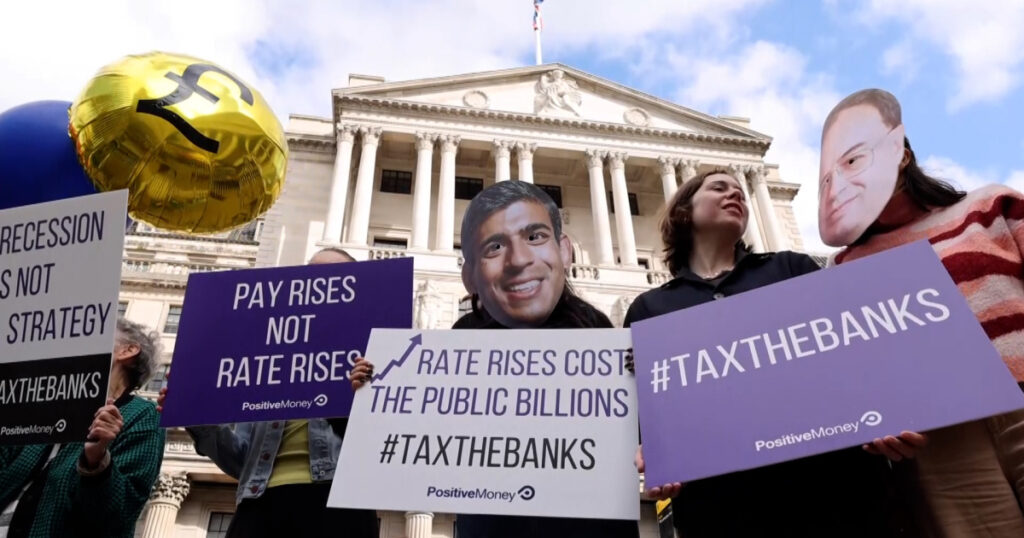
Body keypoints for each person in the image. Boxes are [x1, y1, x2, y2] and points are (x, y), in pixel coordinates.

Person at [624, 169, 923, 537]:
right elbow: (648, 414)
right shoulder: (650, 308)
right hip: (724, 509)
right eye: (719, 188)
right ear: (684, 211)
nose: (736, 194)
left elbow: (853, 357)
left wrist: (885, 415)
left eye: (740, 191)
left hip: (836, 492)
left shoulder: (791, 269)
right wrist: (655, 455)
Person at [352, 181, 638, 538]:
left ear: (566, 252)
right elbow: (429, 428)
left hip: (588, 515)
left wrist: (636, 380)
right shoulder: (464, 334)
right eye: (495, 246)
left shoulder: (595, 328)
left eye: (535, 237)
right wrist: (375, 389)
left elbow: (624, 425)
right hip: (495, 514)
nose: (518, 260)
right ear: (469, 276)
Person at [820, 88, 1024, 537]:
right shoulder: (843, 269)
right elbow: (857, 371)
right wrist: (874, 420)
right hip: (945, 442)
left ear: (901, 154)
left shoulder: (988, 206)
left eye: (856, 159)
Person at [157, 247, 377, 538]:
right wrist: (194, 415)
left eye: (333, 278)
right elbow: (239, 459)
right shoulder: (264, 362)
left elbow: (382, 449)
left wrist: (356, 397)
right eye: (310, 274)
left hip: (338, 505)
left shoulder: (372, 356)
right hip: (259, 504)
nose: (319, 284)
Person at [0, 318, 165, 538]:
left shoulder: (142, 415)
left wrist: (97, 463)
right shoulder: (41, 404)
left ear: (127, 350)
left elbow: (119, 515)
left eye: (93, 331)